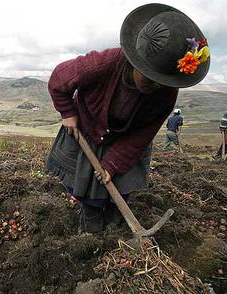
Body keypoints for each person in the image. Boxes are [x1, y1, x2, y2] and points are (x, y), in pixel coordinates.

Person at [46, 3, 210, 233]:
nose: (154, 87)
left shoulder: (166, 94)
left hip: (129, 139)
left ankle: (117, 221)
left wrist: (113, 164)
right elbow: (57, 80)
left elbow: (143, 135)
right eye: (149, 79)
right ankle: (91, 216)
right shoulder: (101, 65)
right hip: (89, 129)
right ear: (135, 63)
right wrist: (68, 113)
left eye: (161, 82)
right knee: (89, 187)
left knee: (119, 185)